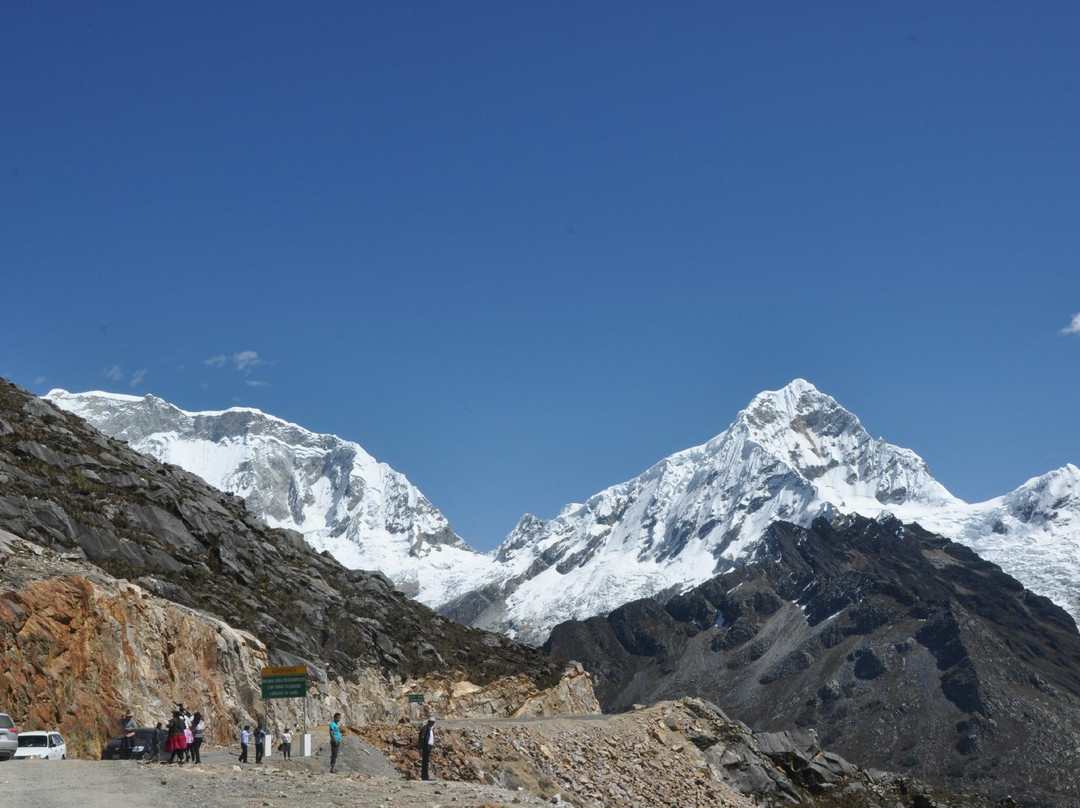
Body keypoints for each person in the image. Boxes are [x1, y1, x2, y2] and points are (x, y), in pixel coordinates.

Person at [418, 716, 436, 781]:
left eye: (433, 722)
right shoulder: (425, 729)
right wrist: (422, 747)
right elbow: (422, 738)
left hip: (429, 746)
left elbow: (431, 737)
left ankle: (426, 776)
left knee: (426, 761)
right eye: (432, 722)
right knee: (425, 761)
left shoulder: (431, 729)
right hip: (426, 746)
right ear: (429, 722)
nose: (433, 723)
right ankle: (424, 777)